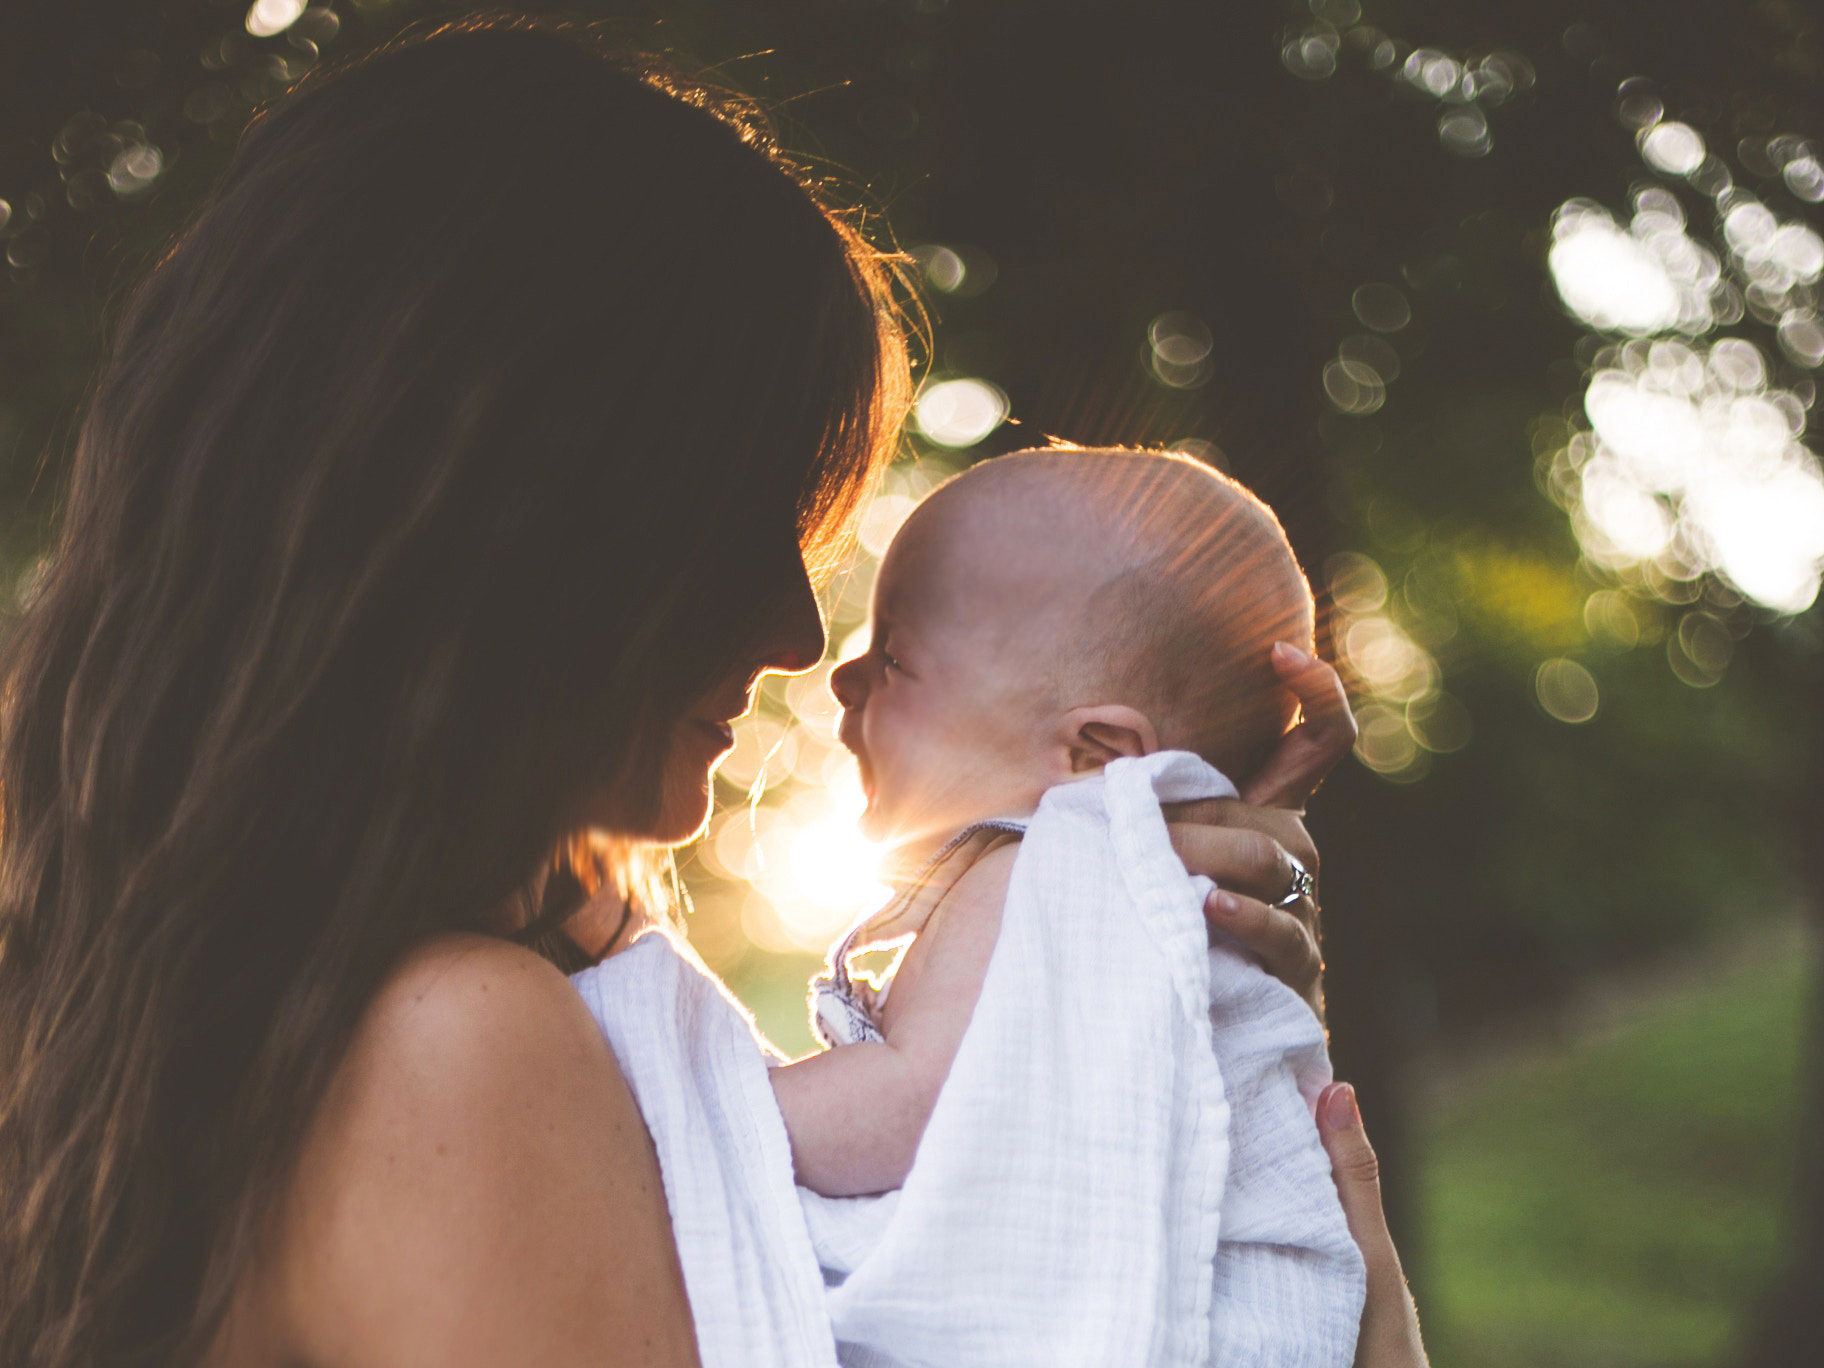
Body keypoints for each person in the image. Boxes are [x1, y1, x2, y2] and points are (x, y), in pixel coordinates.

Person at [0, 16, 1426, 1368]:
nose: (801, 637)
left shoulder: (167, 1019)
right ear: (528, 516)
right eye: (745, 525)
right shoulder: (458, 1049)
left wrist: (1116, 947)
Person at [769, 448, 1364, 1365]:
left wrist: (695, 1098)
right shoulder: (1138, 890)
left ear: (1094, 757)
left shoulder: (1037, 869)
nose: (843, 679)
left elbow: (910, 1106)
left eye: (894, 657)